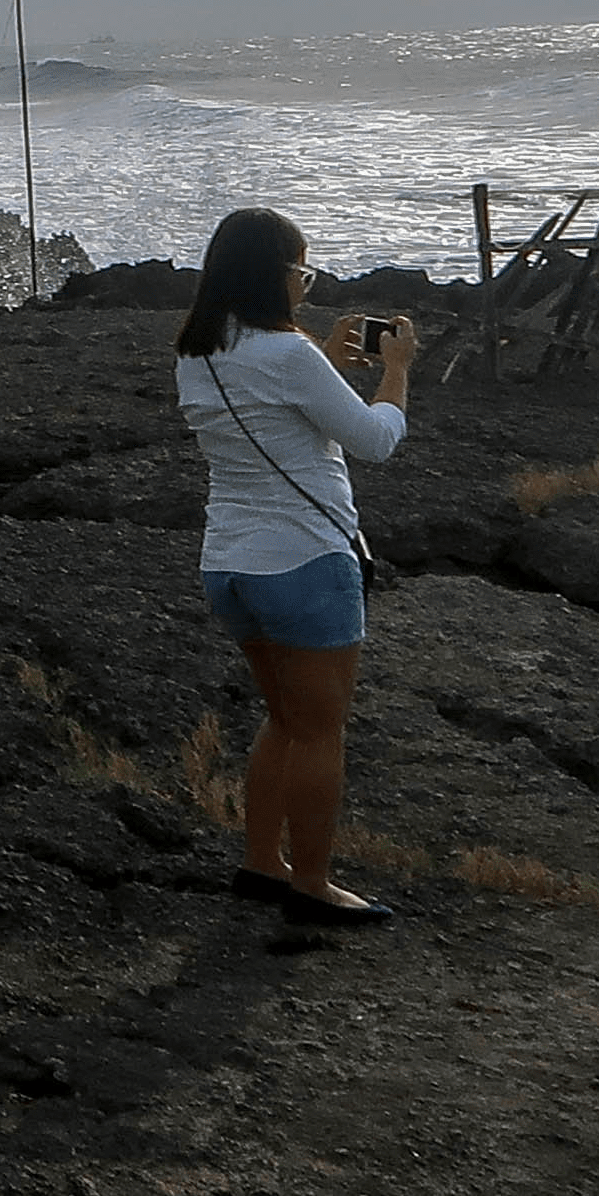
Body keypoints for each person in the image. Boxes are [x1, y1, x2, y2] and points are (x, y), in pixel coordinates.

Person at [174, 206, 417, 926]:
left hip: (229, 566)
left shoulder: (197, 351)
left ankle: (261, 863)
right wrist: (394, 374)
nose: (306, 286)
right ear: (273, 274)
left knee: (282, 720)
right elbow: (374, 440)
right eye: (301, 271)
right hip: (305, 562)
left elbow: (271, 409)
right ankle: (311, 883)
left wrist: (330, 364)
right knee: (317, 731)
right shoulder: (288, 354)